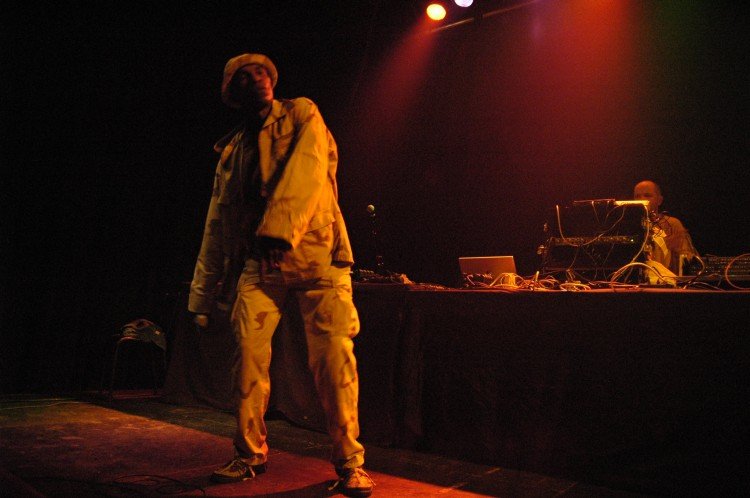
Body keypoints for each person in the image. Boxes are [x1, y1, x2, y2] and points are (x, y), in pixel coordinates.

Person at [188, 53, 373, 497]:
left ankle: (350, 462)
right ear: (232, 92)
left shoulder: (303, 113)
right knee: (247, 358)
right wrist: (202, 294)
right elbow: (217, 223)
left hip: (319, 257)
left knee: (334, 361)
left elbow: (306, 170)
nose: (257, 78)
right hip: (261, 265)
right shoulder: (232, 153)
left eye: (262, 71)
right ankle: (249, 454)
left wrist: (278, 232)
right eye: (244, 76)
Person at [633, 180, 699, 276]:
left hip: (665, 280)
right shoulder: (626, 223)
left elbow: (689, 258)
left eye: (647, 195)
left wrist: (677, 248)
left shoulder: (672, 224)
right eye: (637, 196)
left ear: (659, 200)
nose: (641, 200)